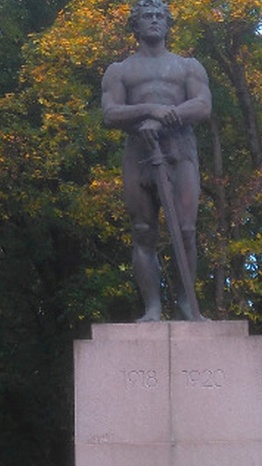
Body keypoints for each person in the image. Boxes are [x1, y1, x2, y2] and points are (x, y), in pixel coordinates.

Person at [101, 0, 212, 322]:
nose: (153, 21)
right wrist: (149, 111)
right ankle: (151, 308)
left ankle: (186, 303)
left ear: (167, 24)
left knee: (187, 229)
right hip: (139, 154)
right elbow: (110, 113)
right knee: (142, 230)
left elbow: (203, 106)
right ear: (135, 25)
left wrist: (164, 120)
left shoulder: (188, 66)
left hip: (180, 152)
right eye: (147, 16)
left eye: (159, 16)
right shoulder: (119, 70)